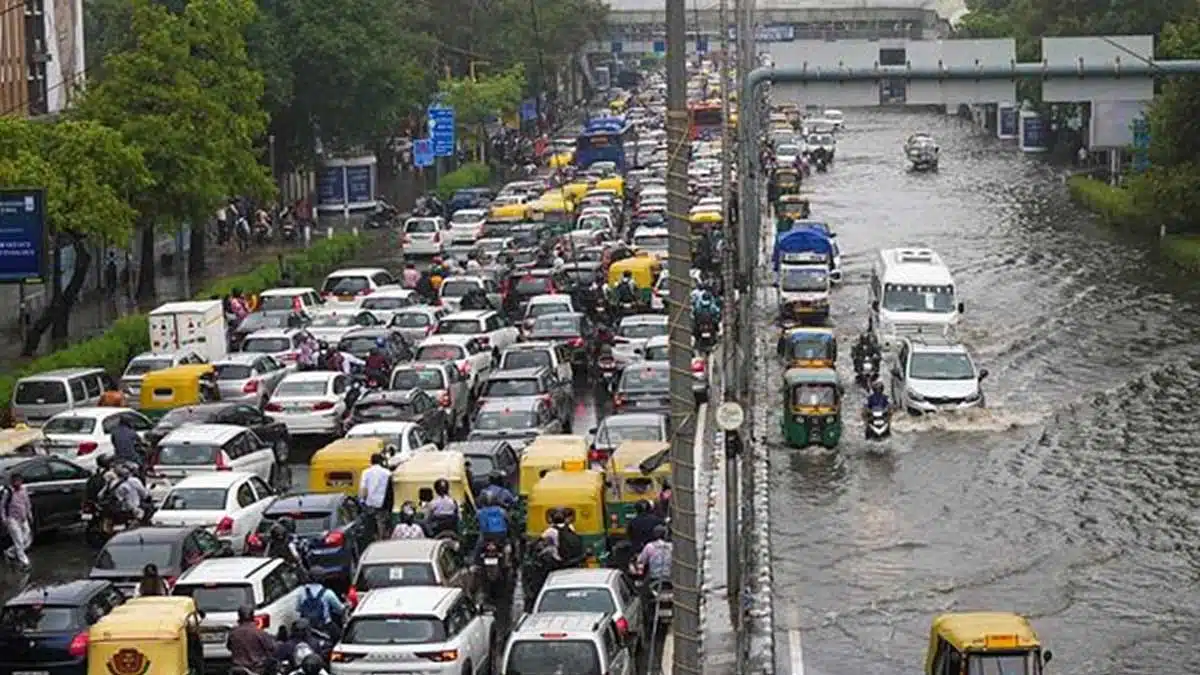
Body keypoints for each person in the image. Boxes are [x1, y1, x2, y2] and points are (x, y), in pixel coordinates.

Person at [226, 605, 277, 674]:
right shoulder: (259, 632)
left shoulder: (233, 633)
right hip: (256, 669)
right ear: (252, 616)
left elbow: (229, 647)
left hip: (237, 668)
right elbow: (271, 647)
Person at [296, 572, 346, 640]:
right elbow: (340, 609)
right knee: (341, 638)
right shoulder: (328, 593)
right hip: (325, 626)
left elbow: (298, 609)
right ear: (323, 579)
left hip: (307, 628)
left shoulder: (301, 592)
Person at [358, 452, 393, 540]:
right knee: (382, 525)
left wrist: (362, 501)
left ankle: (373, 539)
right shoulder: (387, 473)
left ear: (371, 461)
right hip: (383, 504)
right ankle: (381, 540)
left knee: (371, 526)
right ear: (381, 461)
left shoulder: (365, 472)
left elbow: (363, 489)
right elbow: (390, 491)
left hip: (369, 504)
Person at [1, 475, 32, 570]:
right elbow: (2, 506)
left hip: (23, 518)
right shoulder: (8, 492)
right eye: (15, 482)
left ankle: (10, 552)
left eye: (19, 481)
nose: (17, 483)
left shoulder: (24, 490)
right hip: (12, 519)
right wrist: (4, 519)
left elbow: (27, 502)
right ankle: (25, 562)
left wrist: (29, 514)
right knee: (18, 541)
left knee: (26, 539)